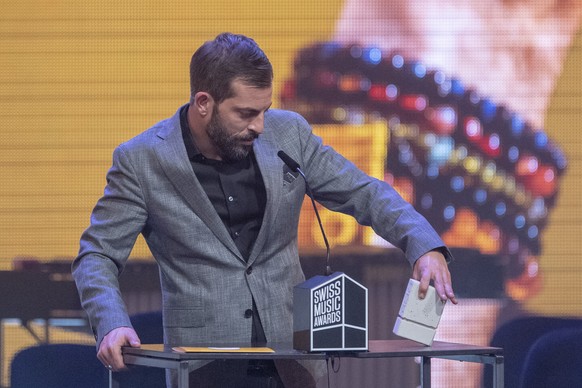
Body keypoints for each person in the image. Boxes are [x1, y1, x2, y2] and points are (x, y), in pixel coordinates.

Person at [72, 32, 457, 388]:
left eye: (264, 110)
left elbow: (364, 191)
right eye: (245, 114)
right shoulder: (142, 161)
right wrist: (111, 323)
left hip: (295, 359)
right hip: (206, 366)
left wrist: (422, 244)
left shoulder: (288, 133)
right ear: (203, 103)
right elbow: (97, 254)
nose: (259, 125)